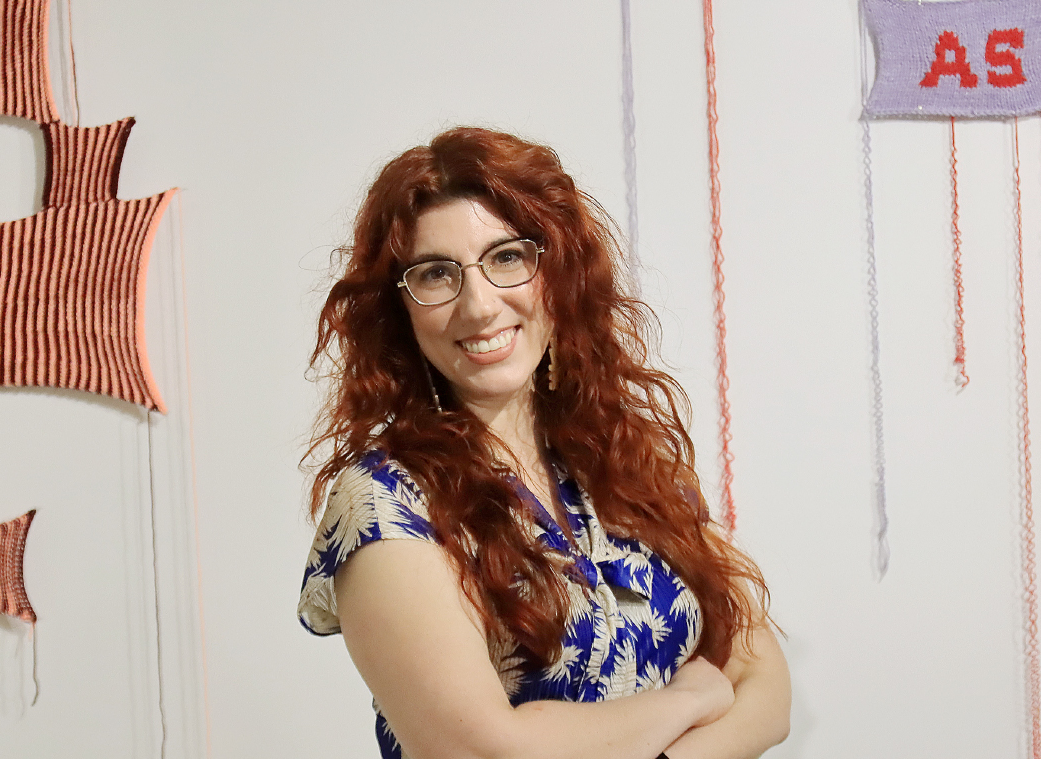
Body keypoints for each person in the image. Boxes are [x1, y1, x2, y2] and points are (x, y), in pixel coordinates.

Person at [299, 127, 789, 759]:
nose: (478, 305)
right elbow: (481, 752)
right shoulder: (384, 504)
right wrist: (690, 699)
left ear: (557, 272)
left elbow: (765, 687)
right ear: (401, 310)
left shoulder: (620, 453)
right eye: (436, 273)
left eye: (507, 257)